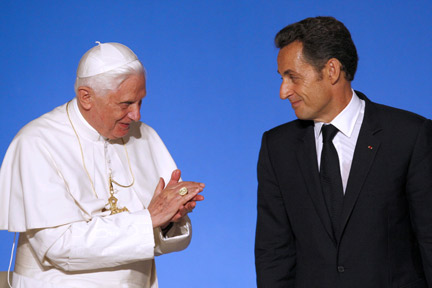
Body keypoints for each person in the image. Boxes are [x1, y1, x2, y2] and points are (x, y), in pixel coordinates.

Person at [0, 42, 205, 287]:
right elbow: (57, 246)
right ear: (86, 96)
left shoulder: (145, 135)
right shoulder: (36, 141)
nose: (137, 115)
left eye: (141, 102)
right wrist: (149, 218)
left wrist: (170, 218)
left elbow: (158, 240)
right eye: (126, 104)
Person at [255, 16, 432, 287]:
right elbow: (273, 253)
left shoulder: (409, 135)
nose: (283, 91)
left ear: (332, 70)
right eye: (281, 78)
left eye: (293, 77)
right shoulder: (277, 147)